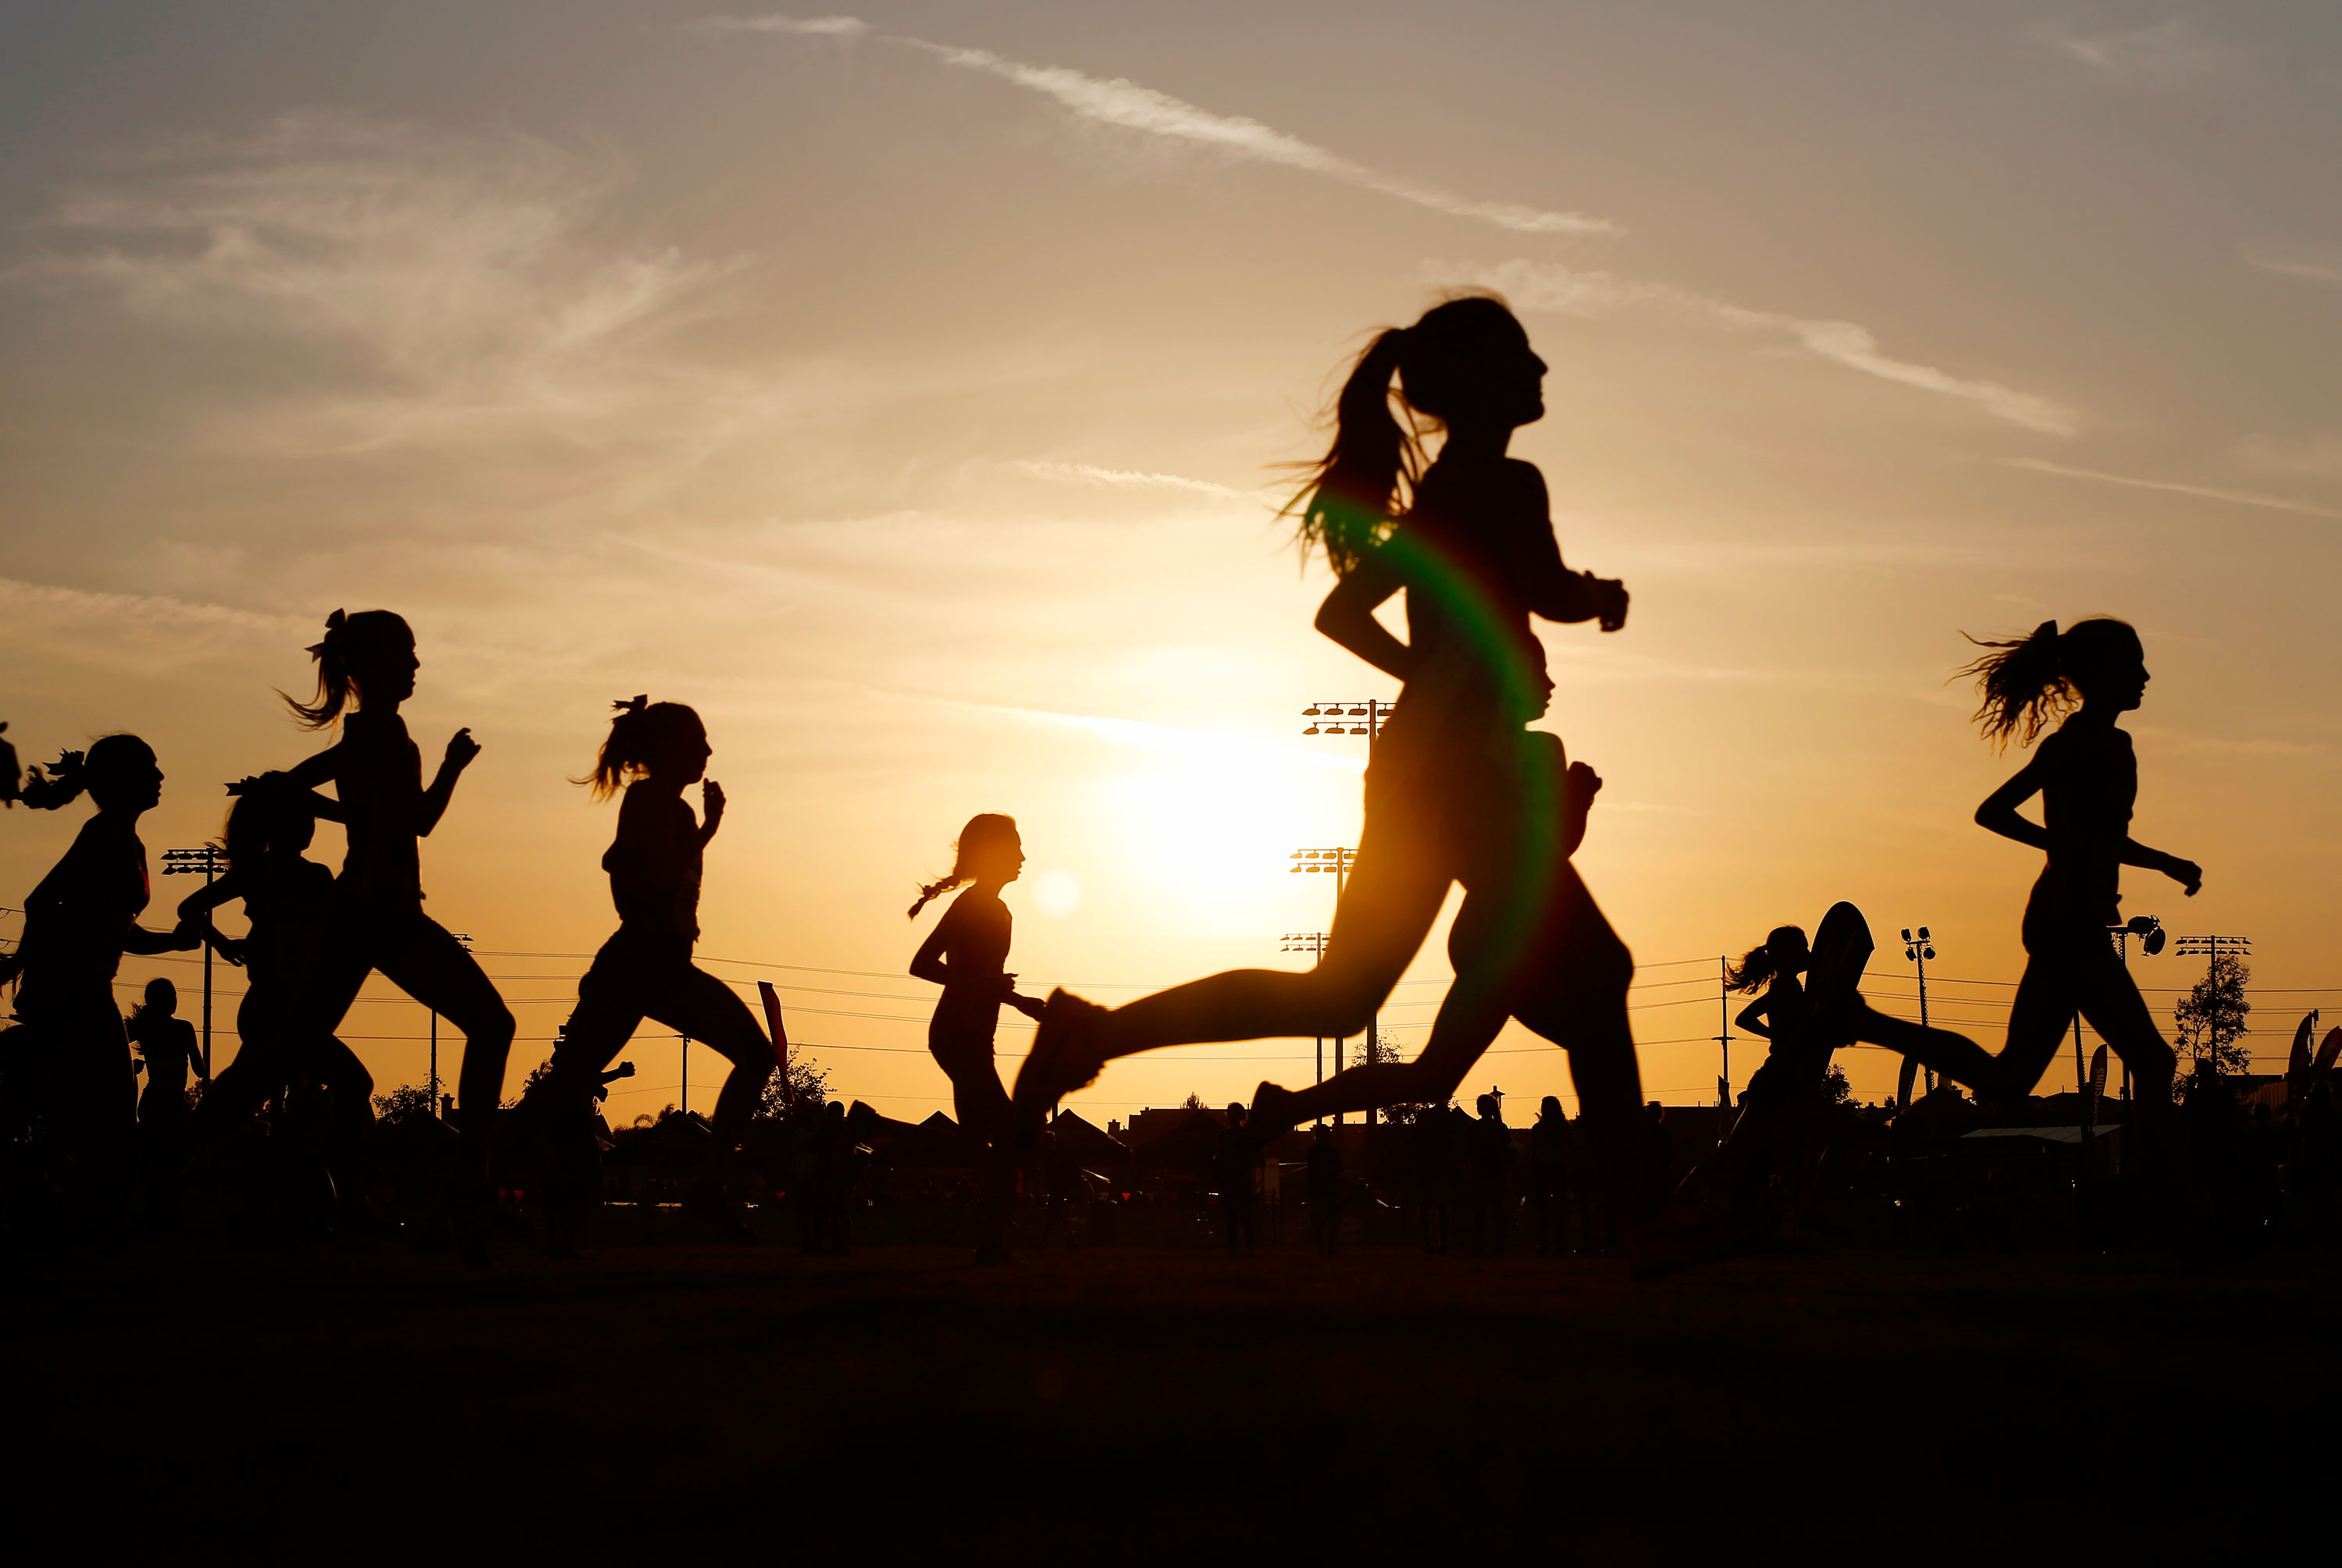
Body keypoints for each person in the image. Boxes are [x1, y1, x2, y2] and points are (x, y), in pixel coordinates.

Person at [1013, 296, 1645, 1204]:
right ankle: (1650, 1215)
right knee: (1599, 970)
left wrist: (1425, 670)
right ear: (1482, 385)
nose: (1544, 371)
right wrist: (1603, 595)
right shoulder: (1508, 485)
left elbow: (1341, 613)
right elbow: (1545, 587)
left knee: (1339, 996)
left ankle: (1092, 1032)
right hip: (1458, 777)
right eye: (1525, 358)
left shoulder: (1440, 499)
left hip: (1411, 773)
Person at [276, 610, 516, 1264]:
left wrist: (290, 790)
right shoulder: (381, 731)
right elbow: (408, 820)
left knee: (286, 1050)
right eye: (407, 654)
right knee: (492, 1025)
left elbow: (386, 814)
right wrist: (450, 767)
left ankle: (164, 1172)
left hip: (363, 910)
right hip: (382, 912)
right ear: (372, 666)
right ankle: (470, 1187)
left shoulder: (375, 730)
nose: (416, 666)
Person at [531, 699, 776, 1247]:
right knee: (564, 1087)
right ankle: (486, 1187)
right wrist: (710, 828)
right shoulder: (651, 801)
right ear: (668, 749)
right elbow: (660, 873)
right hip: (644, 960)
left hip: (656, 961)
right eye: (699, 742)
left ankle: (703, 1193)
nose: (709, 752)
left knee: (566, 1085)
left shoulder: (666, 806)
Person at [1963, 618, 2198, 1186]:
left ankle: (1867, 1022)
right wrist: (2068, 847)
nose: (2145, 676)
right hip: (2068, 922)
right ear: (2101, 673)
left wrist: (2159, 861)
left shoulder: (2097, 744)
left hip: (2069, 918)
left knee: (2010, 1077)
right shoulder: (2081, 746)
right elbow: (1996, 812)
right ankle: (2162, 1196)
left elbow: (2097, 837)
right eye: (2133, 664)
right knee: (2153, 1059)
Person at [0, 737, 204, 1232]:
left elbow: (118, 931)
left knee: (91, 1114)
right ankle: (85, 1223)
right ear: (119, 781)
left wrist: (172, 945)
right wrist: (23, 963)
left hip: (83, 990)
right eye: (149, 769)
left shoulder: (125, 840)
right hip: (73, 992)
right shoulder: (104, 837)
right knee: (104, 1117)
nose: (159, 777)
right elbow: (40, 901)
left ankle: (76, 1219)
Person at [176, 774, 379, 1230]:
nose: (309, 826)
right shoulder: (270, 872)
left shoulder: (304, 874)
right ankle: (351, 1203)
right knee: (339, 1086)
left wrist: (223, 942)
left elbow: (191, 909)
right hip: (276, 1006)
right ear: (281, 826)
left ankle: (161, 1182)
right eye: (301, 818)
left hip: (289, 1008)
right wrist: (223, 943)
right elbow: (191, 908)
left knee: (232, 1106)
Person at [909, 812, 1047, 1265]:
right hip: (956, 1034)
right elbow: (923, 964)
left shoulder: (996, 908)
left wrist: (1011, 998)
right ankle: (991, 1244)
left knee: (981, 1141)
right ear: (994, 854)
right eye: (1016, 848)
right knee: (1007, 1136)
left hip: (973, 1035)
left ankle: (992, 1239)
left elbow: (979, 979)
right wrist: (998, 991)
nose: (1024, 857)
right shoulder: (973, 905)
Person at [1210, 1104, 1258, 1256]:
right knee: (1244, 1216)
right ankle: (1248, 1248)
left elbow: (1219, 1158)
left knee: (1234, 1217)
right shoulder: (1245, 1136)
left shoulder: (1224, 1136)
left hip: (1232, 1180)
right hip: (1240, 1180)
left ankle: (1235, 1248)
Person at [1527, 1095, 1572, 1254]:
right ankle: (1559, 1242)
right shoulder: (1564, 1127)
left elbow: (1535, 1151)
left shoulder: (1539, 1128)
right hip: (1557, 1167)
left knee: (1543, 1208)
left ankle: (1544, 1242)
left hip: (1543, 1167)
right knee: (1558, 1206)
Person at [1305, 1123, 1344, 1253]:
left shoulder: (1314, 1151)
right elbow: (1340, 1167)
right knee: (1328, 1220)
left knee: (1322, 1221)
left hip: (1321, 1190)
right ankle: (1327, 1246)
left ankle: (1323, 1246)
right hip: (1326, 1190)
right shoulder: (1329, 1151)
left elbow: (1339, 1167)